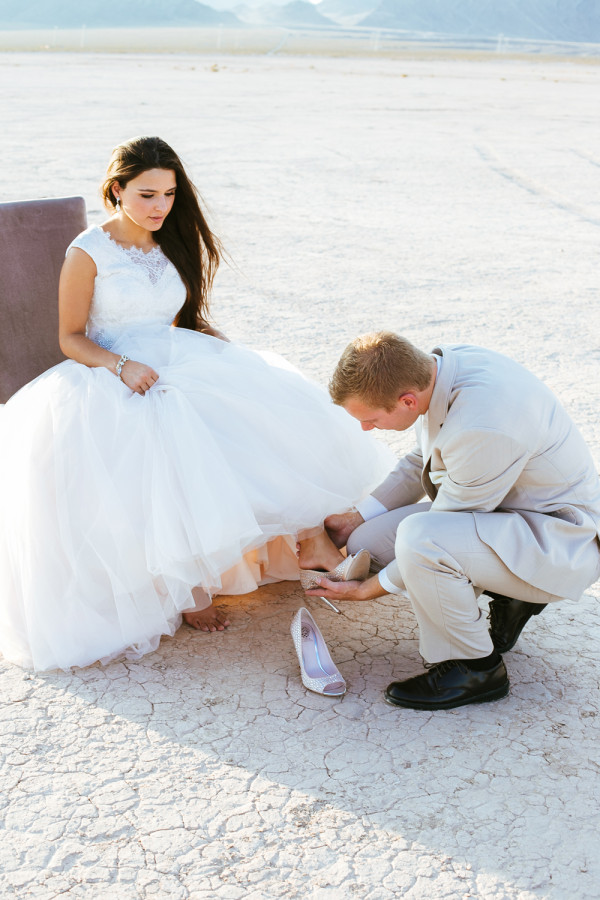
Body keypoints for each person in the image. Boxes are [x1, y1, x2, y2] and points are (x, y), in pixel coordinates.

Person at [0, 136, 393, 671]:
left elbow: (181, 318)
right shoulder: (87, 251)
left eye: (168, 194)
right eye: (146, 194)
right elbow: (70, 337)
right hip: (112, 369)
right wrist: (121, 366)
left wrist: (212, 345)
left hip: (175, 355)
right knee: (168, 429)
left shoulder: (173, 241)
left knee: (260, 401)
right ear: (116, 190)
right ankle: (190, 590)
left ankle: (312, 538)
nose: (160, 206)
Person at [305, 332, 600, 710]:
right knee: (367, 543)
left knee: (419, 541)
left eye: (371, 419)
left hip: (560, 540)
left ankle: (476, 667)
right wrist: (354, 519)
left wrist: (368, 590)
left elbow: (434, 537)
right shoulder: (438, 368)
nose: (366, 428)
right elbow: (420, 460)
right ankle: (511, 594)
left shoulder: (482, 424)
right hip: (507, 513)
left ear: (406, 400)